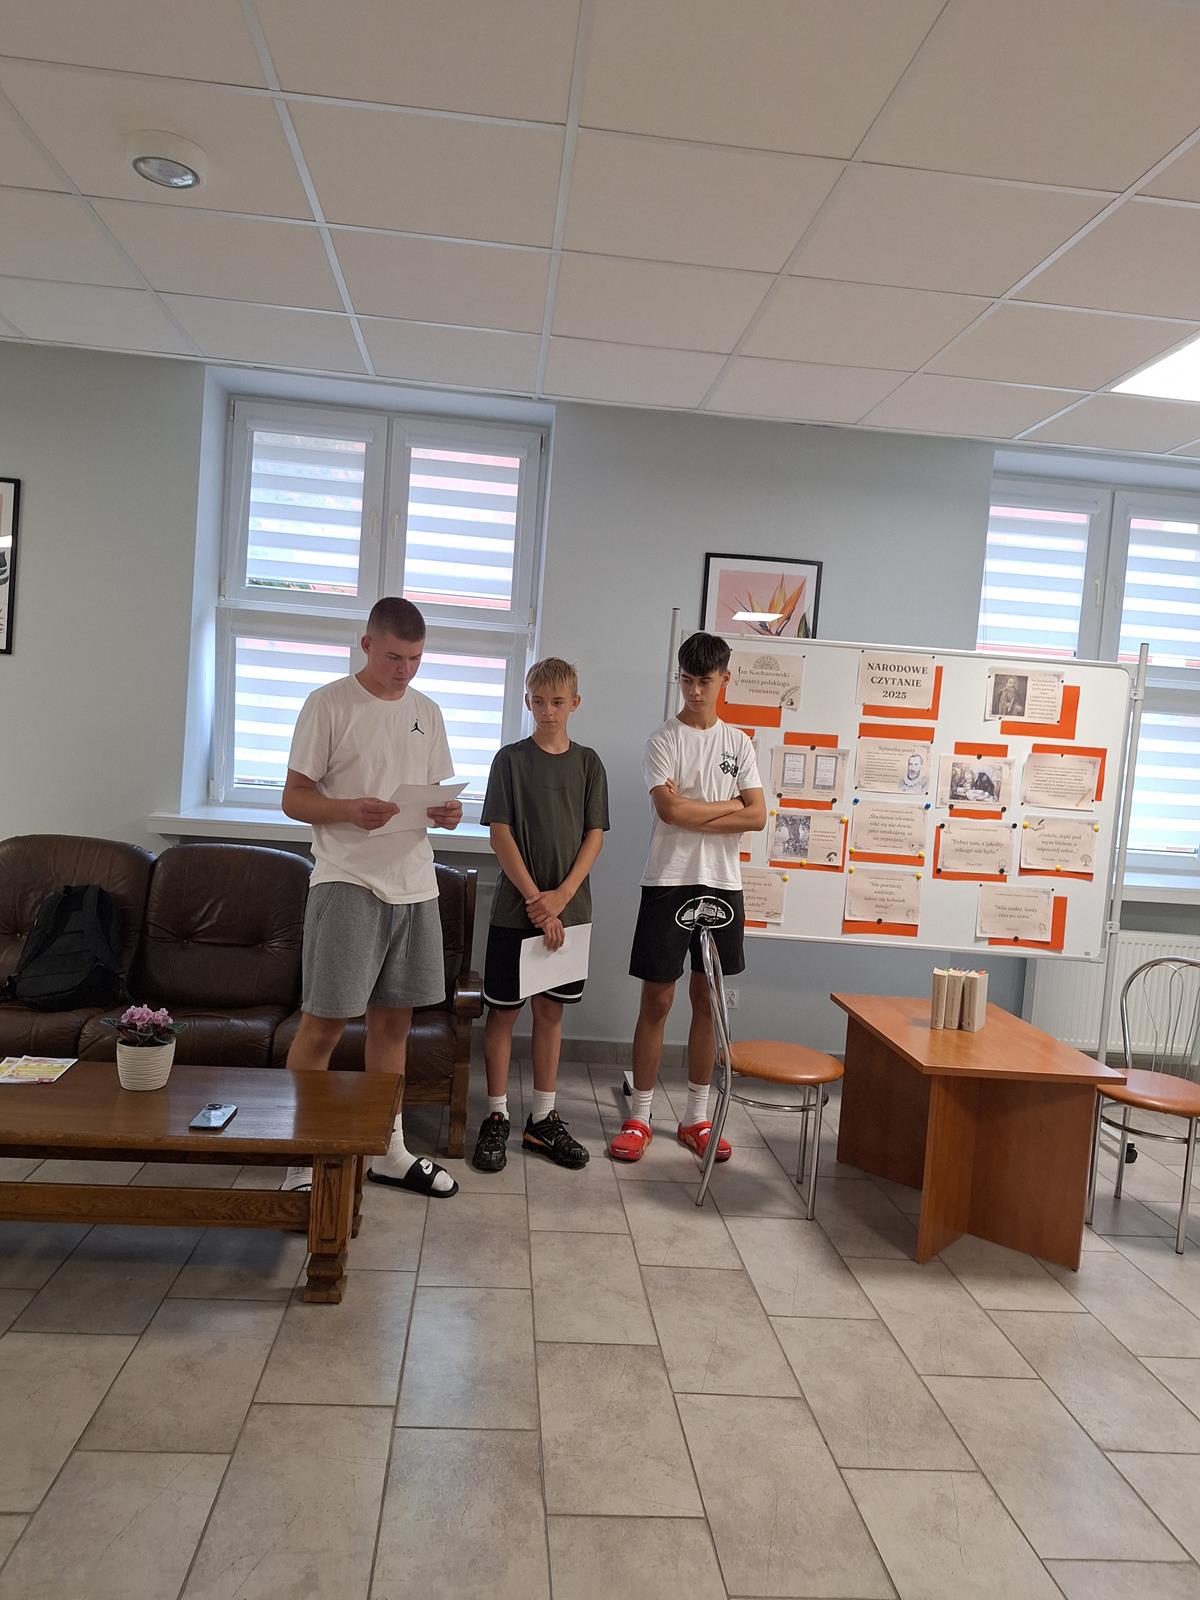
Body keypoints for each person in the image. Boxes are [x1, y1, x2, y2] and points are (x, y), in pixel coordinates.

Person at [280, 595, 463, 1199]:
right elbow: (294, 798)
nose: (404, 670)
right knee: (324, 1026)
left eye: (415, 658)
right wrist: (346, 810)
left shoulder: (427, 711)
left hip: (415, 884)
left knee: (394, 1026)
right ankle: (301, 1160)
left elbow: (433, 796)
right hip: (347, 880)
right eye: (393, 657)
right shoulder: (328, 703)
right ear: (366, 645)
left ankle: (389, 1150)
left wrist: (448, 811)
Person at [610, 631, 767, 1166]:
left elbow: (758, 816)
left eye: (704, 681)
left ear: (725, 679)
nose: (694, 691)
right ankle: (639, 1116)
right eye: (686, 680)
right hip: (668, 880)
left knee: (708, 1000)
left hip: (722, 884)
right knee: (657, 1000)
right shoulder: (662, 740)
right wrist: (729, 807)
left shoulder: (739, 743)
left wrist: (701, 810)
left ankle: (697, 1118)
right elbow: (669, 812)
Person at [472, 658, 609, 1173]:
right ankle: (497, 1114)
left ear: (574, 703)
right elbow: (500, 835)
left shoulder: (589, 764)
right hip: (516, 912)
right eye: (538, 701)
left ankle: (543, 1119)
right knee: (504, 1013)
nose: (547, 710)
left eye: (557, 701)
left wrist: (560, 898)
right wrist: (536, 900)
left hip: (570, 913)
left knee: (551, 1013)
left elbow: (594, 837)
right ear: (527, 702)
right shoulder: (509, 760)